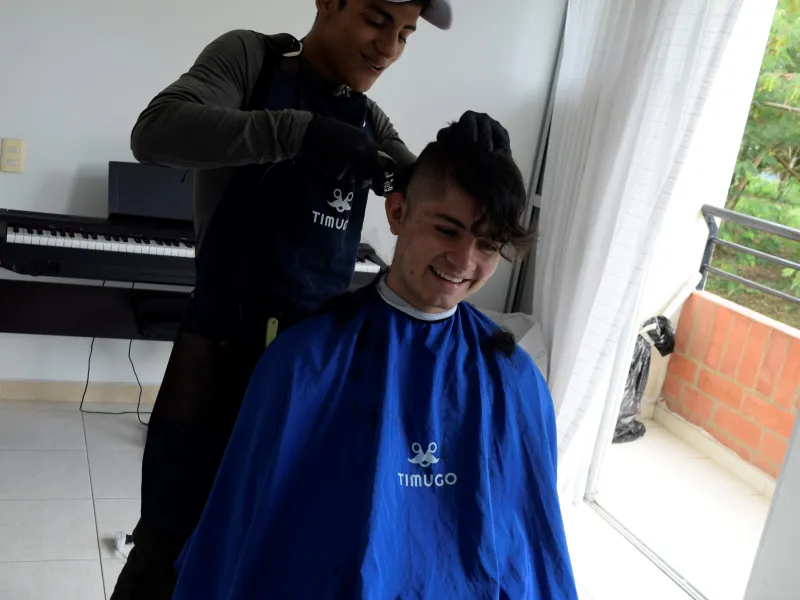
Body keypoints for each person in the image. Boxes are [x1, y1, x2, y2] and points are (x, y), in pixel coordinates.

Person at [109, 2, 519, 599]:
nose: (389, 49)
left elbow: (422, 189)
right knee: (170, 546)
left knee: (277, 547)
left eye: (405, 35)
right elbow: (155, 131)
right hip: (218, 363)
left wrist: (471, 154)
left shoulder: (368, 120)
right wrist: (299, 133)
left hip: (310, 376)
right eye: (376, 19)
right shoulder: (253, 61)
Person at [171, 119, 579, 599]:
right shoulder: (304, 363)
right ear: (398, 211)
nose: (464, 261)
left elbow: (531, 545)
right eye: (447, 230)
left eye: (488, 244)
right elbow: (240, 538)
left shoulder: (514, 377)